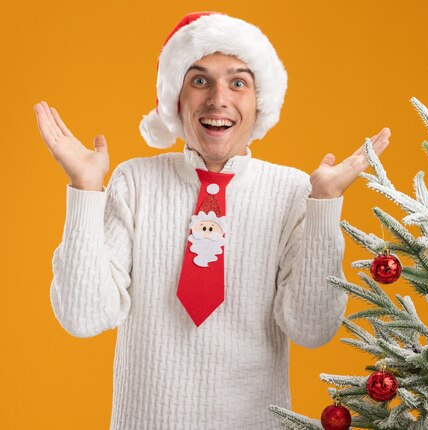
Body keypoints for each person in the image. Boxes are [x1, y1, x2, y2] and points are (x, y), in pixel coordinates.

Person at [34, 12, 390, 429]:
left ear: (259, 103)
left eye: (238, 82)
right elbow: (83, 316)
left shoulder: (294, 192)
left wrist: (324, 203)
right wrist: (86, 190)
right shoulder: (135, 182)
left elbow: (311, 329)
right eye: (199, 80)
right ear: (177, 100)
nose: (218, 98)